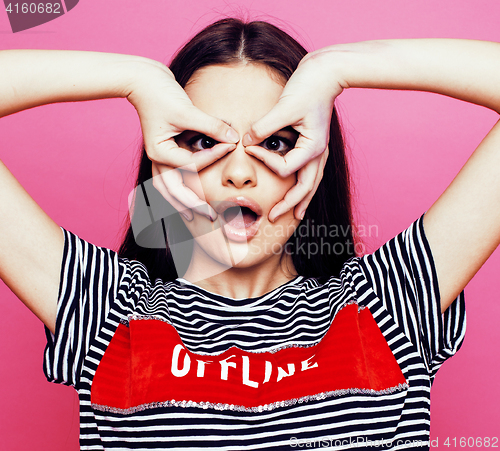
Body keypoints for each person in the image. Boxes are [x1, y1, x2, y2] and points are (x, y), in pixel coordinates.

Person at [0, 17, 498, 450]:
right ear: (164, 162)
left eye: (277, 141)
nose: (239, 173)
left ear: (316, 159)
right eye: (200, 140)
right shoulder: (105, 312)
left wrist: (337, 68)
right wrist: (135, 78)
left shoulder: (390, 304)